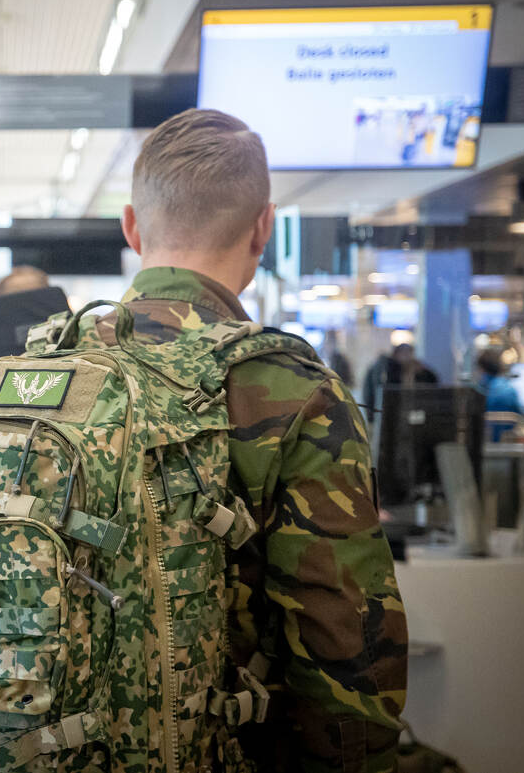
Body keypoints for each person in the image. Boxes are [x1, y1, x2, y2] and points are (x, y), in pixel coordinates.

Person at [105, 108, 407, 770]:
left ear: (131, 227)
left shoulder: (42, 375)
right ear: (263, 227)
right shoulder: (295, 389)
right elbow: (347, 646)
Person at [362, 342, 439, 419]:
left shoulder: (416, 369)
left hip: (400, 415)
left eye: (410, 354)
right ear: (396, 354)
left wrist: (421, 371)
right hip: (385, 415)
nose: (409, 357)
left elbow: (433, 384)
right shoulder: (387, 369)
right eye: (406, 353)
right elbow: (380, 394)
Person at [477, 348, 524, 440]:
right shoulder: (510, 391)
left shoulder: (478, 392)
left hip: (482, 443)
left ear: (481, 369)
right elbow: (521, 415)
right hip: (507, 443)